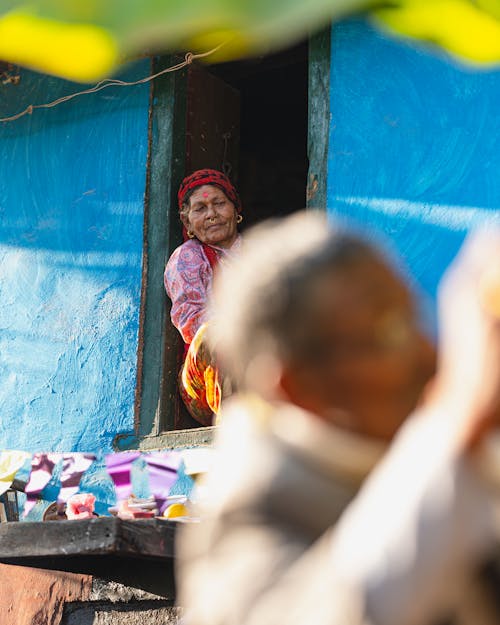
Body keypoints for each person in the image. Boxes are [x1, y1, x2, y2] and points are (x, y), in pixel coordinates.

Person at [176, 211, 500, 625]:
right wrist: (459, 424)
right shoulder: (250, 513)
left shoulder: (417, 442)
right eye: (389, 332)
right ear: (297, 387)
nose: (429, 353)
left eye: (416, 318)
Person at [164, 169, 243, 425]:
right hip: (205, 382)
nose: (211, 214)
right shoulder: (187, 257)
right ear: (187, 223)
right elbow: (191, 322)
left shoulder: (261, 252)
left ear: (235, 209)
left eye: (219, 204)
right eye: (200, 208)